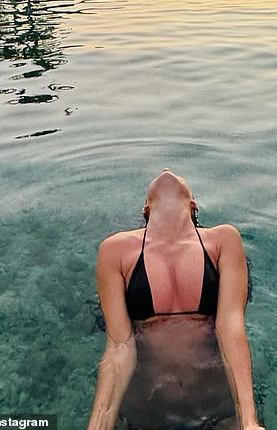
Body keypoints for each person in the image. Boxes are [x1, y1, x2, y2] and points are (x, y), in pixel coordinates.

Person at [86, 169, 265, 430]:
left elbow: (231, 329)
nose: (166, 173)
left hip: (215, 401)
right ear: (146, 210)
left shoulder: (223, 241)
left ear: (193, 206)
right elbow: (119, 347)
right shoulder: (115, 250)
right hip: (147, 401)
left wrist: (249, 421)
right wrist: (98, 425)